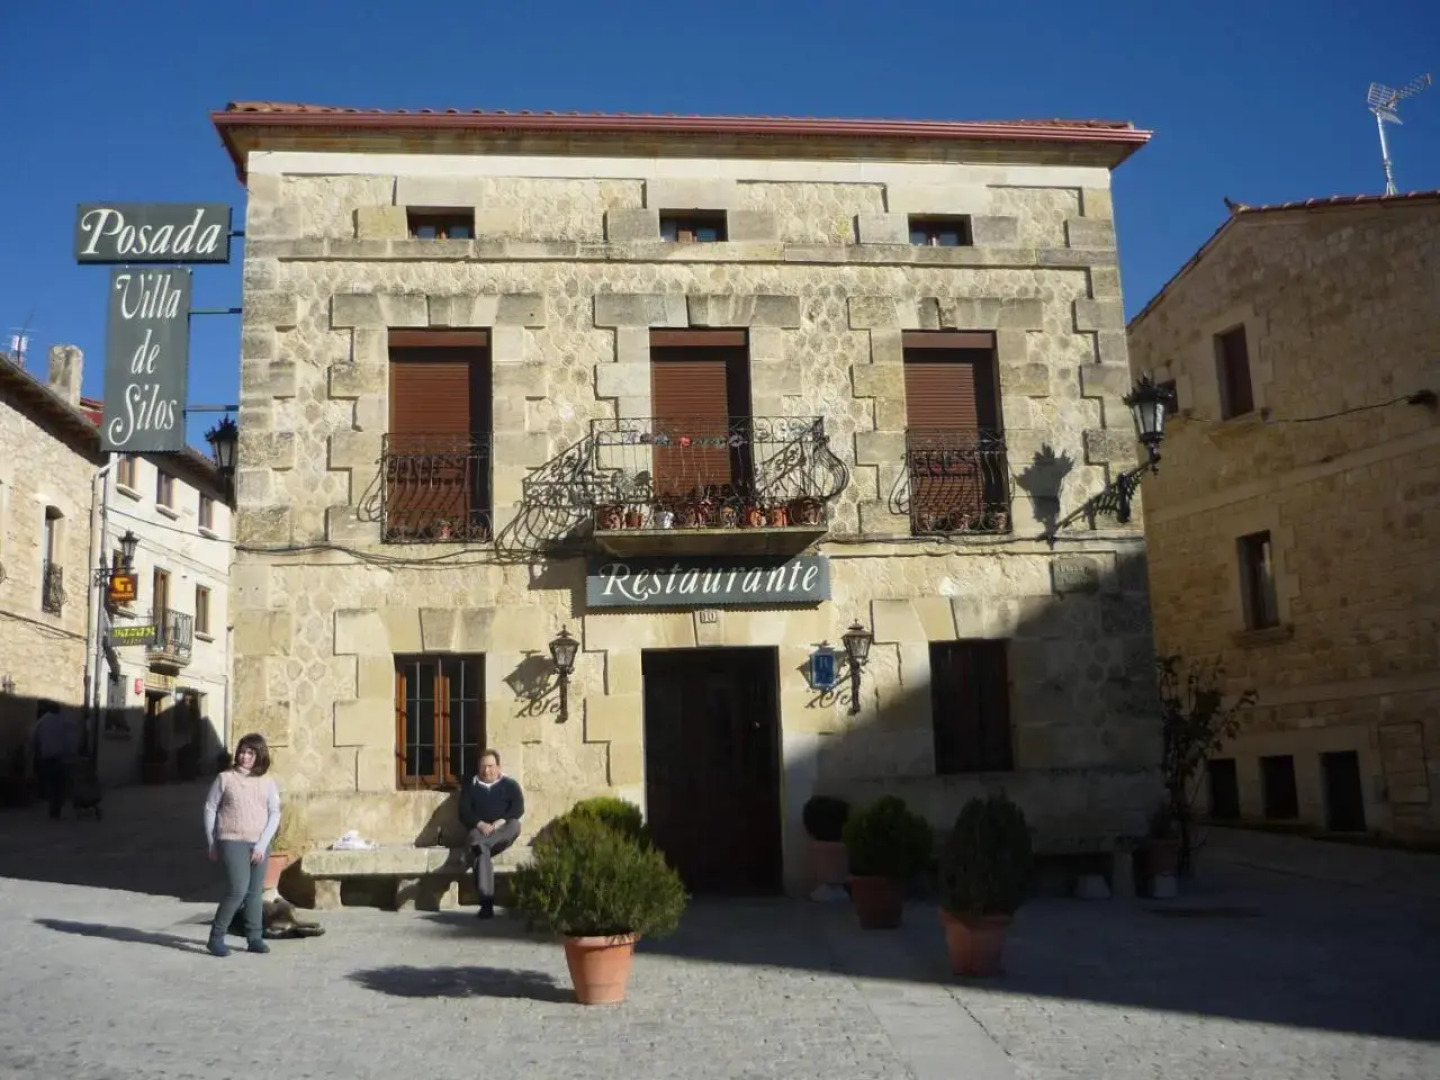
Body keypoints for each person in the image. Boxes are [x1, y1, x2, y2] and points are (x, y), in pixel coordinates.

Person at [203, 733, 280, 957]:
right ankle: (216, 937)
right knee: (237, 890)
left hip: (259, 843)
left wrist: (262, 845)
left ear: (260, 756)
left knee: (255, 892)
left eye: (251, 753)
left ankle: (254, 938)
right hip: (232, 840)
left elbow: (275, 813)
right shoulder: (225, 778)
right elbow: (210, 808)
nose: (245, 757)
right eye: (242, 752)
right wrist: (211, 841)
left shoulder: (267, 782)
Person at [458, 749, 524, 919]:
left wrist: (501, 822)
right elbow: (464, 812)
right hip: (478, 831)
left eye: (490, 766)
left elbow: (518, 808)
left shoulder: (510, 785)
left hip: (501, 830)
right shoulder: (470, 786)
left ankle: (482, 845)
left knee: (515, 825)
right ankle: (486, 904)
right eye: (483, 766)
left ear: (498, 767)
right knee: (481, 853)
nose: (487, 770)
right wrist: (480, 824)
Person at [31, 700, 80, 819]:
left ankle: (52, 806)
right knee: (59, 784)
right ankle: (55, 808)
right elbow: (70, 739)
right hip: (59, 757)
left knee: (50, 783)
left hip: (45, 757)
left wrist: (36, 750)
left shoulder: (42, 722)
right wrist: (72, 752)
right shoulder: (64, 721)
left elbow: (33, 736)